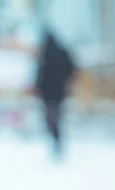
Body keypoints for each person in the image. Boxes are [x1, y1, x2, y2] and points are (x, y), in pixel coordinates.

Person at [35, 31, 76, 159]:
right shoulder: (62, 52)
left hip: (48, 92)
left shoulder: (46, 55)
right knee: (56, 116)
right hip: (59, 91)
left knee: (51, 117)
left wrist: (38, 87)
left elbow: (40, 74)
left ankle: (56, 140)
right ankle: (57, 140)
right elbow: (72, 68)